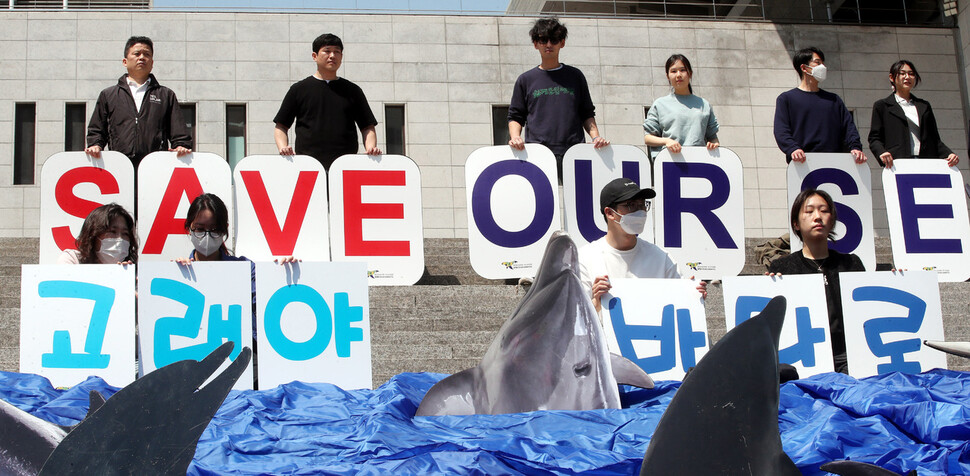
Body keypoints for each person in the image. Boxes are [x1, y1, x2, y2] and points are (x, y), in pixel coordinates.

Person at [767, 189, 865, 374]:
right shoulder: (782, 267)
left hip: (848, 355)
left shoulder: (851, 263)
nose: (818, 217)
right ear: (796, 224)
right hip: (803, 356)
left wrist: (894, 280)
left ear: (833, 220)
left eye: (824, 210)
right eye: (809, 211)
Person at [578, 178, 707, 317]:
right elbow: (574, 319)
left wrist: (693, 295)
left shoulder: (661, 258)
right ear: (610, 213)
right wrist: (595, 304)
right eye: (631, 205)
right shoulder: (585, 258)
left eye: (642, 205)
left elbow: (685, 309)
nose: (640, 211)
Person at [507, 17, 609, 182]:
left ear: (562, 43)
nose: (548, 45)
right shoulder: (525, 80)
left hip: (574, 150)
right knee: (544, 202)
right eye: (543, 40)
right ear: (535, 44)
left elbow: (587, 112)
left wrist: (596, 137)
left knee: (578, 201)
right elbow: (515, 116)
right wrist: (515, 137)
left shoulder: (575, 76)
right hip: (538, 152)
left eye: (554, 40)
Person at [274, 33, 381, 170]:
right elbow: (281, 126)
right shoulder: (299, 89)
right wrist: (283, 148)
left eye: (337, 52)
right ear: (314, 56)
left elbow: (367, 127)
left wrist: (370, 149)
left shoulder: (353, 91)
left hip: (346, 166)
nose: (332, 56)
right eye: (327, 51)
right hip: (308, 167)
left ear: (341, 57)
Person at [85, 36, 192, 166]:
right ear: (125, 61)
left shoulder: (166, 95)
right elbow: (97, 129)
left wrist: (181, 145)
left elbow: (179, 130)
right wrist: (95, 145)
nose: (141, 57)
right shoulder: (108, 95)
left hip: (155, 164)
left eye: (146, 54)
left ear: (152, 63)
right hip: (119, 164)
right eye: (136, 53)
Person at [773, 47, 865, 164]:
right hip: (803, 163)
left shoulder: (834, 100)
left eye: (823, 63)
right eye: (818, 62)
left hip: (835, 162)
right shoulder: (787, 99)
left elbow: (849, 128)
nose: (823, 67)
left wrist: (855, 147)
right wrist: (793, 148)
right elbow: (781, 130)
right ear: (804, 68)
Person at [868, 60, 959, 168]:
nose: (907, 77)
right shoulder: (882, 106)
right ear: (892, 77)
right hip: (898, 165)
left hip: (927, 164)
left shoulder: (924, 106)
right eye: (902, 73)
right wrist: (881, 152)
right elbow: (874, 138)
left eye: (911, 74)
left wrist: (949, 154)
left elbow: (934, 139)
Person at [643, 54, 719, 153]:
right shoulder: (660, 104)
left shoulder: (704, 104)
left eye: (683, 70)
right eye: (673, 71)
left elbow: (712, 137)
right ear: (667, 76)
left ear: (690, 73)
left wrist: (714, 145)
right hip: (670, 161)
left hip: (699, 162)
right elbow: (648, 138)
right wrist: (667, 141)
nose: (678, 75)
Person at [58, 203, 138, 265]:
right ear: (93, 234)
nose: (120, 238)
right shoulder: (73, 259)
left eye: (125, 234)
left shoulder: (132, 269)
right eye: (113, 232)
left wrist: (128, 279)